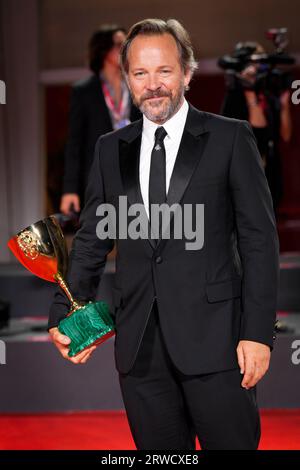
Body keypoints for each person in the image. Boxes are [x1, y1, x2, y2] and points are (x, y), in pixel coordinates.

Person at [48, 19, 279, 450]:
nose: (152, 85)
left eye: (164, 71)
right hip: (141, 353)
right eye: (140, 73)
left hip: (220, 345)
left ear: (187, 73)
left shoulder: (230, 138)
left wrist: (258, 332)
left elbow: (259, 241)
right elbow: (94, 239)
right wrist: (64, 310)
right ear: (127, 78)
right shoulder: (108, 148)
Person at [60, 24, 141, 215]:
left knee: (135, 237)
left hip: (134, 174)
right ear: (104, 50)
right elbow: (74, 144)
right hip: (99, 177)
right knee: (101, 236)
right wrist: (69, 189)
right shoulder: (84, 91)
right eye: (119, 44)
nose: (126, 48)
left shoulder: (137, 85)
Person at [221, 42, 292, 215]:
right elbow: (257, 131)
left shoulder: (268, 95)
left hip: (270, 174)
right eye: (254, 64)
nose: (258, 69)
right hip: (246, 176)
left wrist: (284, 105)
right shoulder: (234, 97)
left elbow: (286, 135)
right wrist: (249, 91)